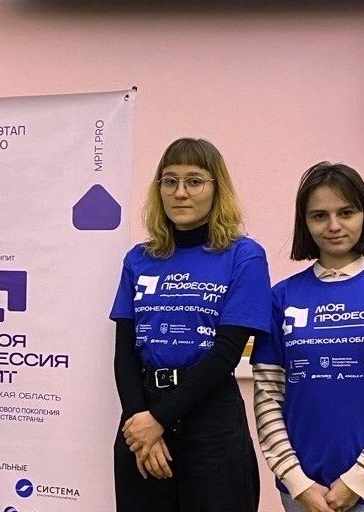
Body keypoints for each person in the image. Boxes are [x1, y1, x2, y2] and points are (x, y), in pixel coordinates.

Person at [251, 162, 364, 512]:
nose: (334, 226)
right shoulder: (281, 298)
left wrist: (358, 481)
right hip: (303, 492)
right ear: (305, 222)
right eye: (319, 215)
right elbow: (267, 396)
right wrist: (298, 482)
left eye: (346, 212)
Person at [109, 137, 271, 511]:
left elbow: (226, 353)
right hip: (142, 416)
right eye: (170, 181)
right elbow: (124, 352)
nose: (180, 192)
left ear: (216, 188)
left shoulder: (243, 256)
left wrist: (159, 419)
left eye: (194, 181)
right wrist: (140, 422)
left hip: (210, 421)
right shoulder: (139, 259)